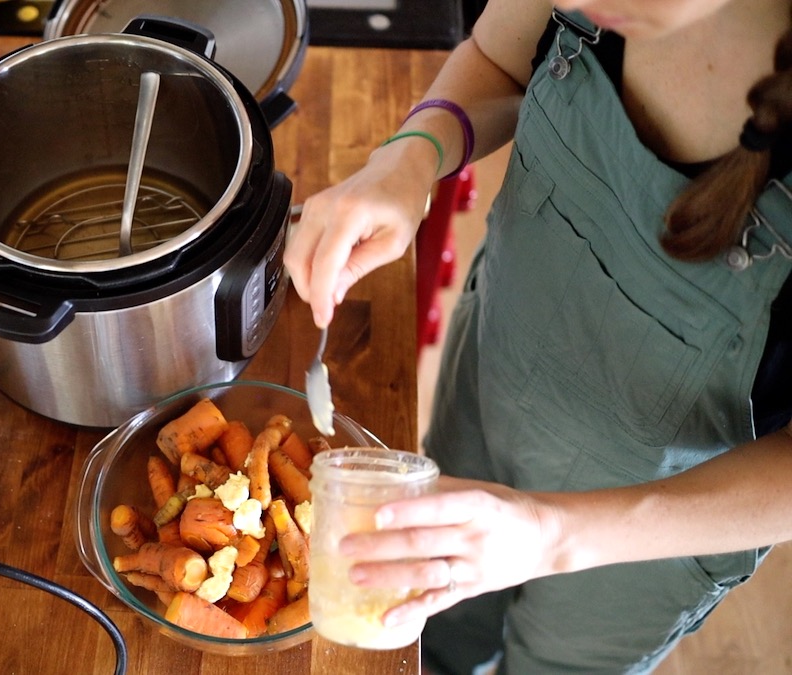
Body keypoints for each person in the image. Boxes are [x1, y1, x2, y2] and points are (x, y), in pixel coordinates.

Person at [282, 0, 792, 672]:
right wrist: (409, 160)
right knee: (433, 628)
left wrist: (553, 535)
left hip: (645, 531)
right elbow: (499, 61)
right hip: (493, 383)